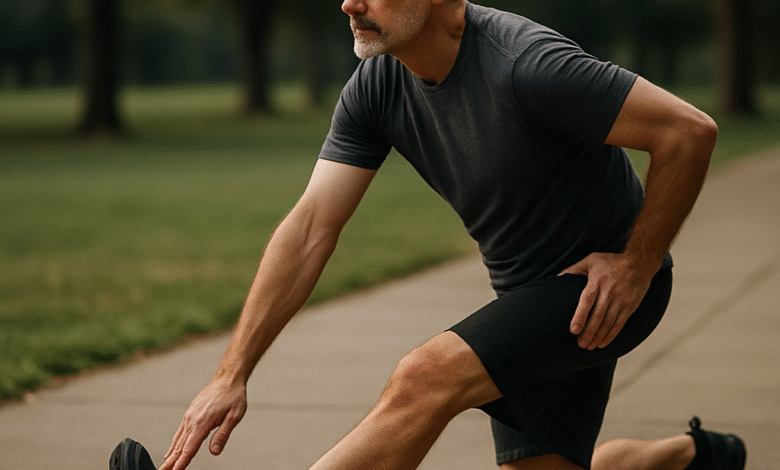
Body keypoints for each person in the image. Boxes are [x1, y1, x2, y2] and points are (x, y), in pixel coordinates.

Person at [157, 1, 746, 469]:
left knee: (426, 375)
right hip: (526, 299)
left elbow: (688, 132)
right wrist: (230, 375)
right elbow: (311, 226)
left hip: (607, 293)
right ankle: (692, 457)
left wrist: (636, 266)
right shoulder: (375, 85)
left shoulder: (525, 64)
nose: (349, 4)